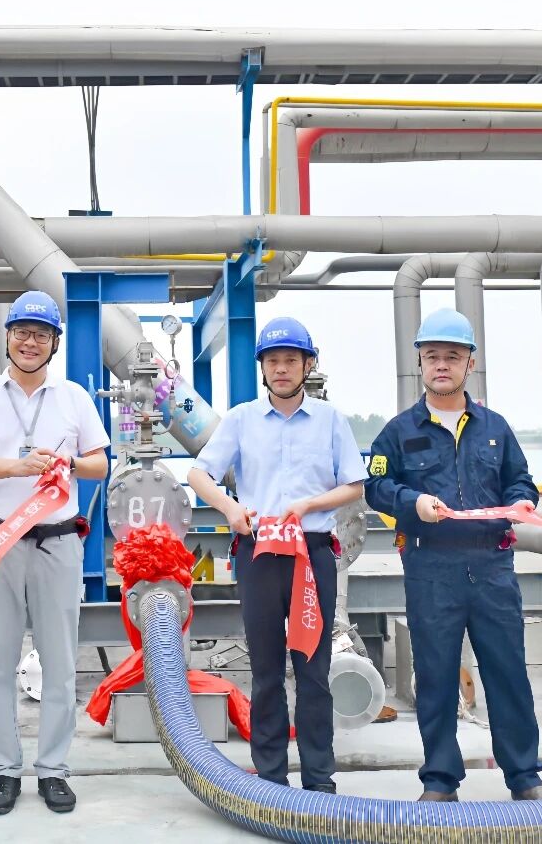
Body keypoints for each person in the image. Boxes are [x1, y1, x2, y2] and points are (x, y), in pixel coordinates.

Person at [364, 307, 542, 802]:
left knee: (507, 671)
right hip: (431, 567)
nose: (442, 364)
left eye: (452, 356)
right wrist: (413, 503)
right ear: (420, 364)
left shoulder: (496, 428)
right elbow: (376, 487)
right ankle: (440, 780)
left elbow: (520, 479)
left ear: (471, 363)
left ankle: (525, 776)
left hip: (491, 566)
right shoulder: (398, 432)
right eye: (432, 356)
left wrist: (523, 501)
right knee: (436, 675)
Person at [187, 317, 366, 793]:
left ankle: (319, 778)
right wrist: (230, 509)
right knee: (265, 668)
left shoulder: (330, 420)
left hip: (313, 554)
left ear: (308, 365)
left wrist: (309, 505)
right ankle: (270, 778)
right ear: (262, 368)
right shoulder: (241, 419)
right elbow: (200, 474)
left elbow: (353, 484)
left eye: (291, 360)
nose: (281, 369)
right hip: (260, 553)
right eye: (273, 361)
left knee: (314, 669)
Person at [0, 290, 111, 816]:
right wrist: (15, 467)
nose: (30, 342)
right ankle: (3, 770)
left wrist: (67, 463)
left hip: (57, 542)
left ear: (54, 343)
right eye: (22, 332)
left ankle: (53, 770)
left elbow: (100, 465)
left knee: (60, 661)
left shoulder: (73, 398)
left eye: (41, 334)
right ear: (8, 337)